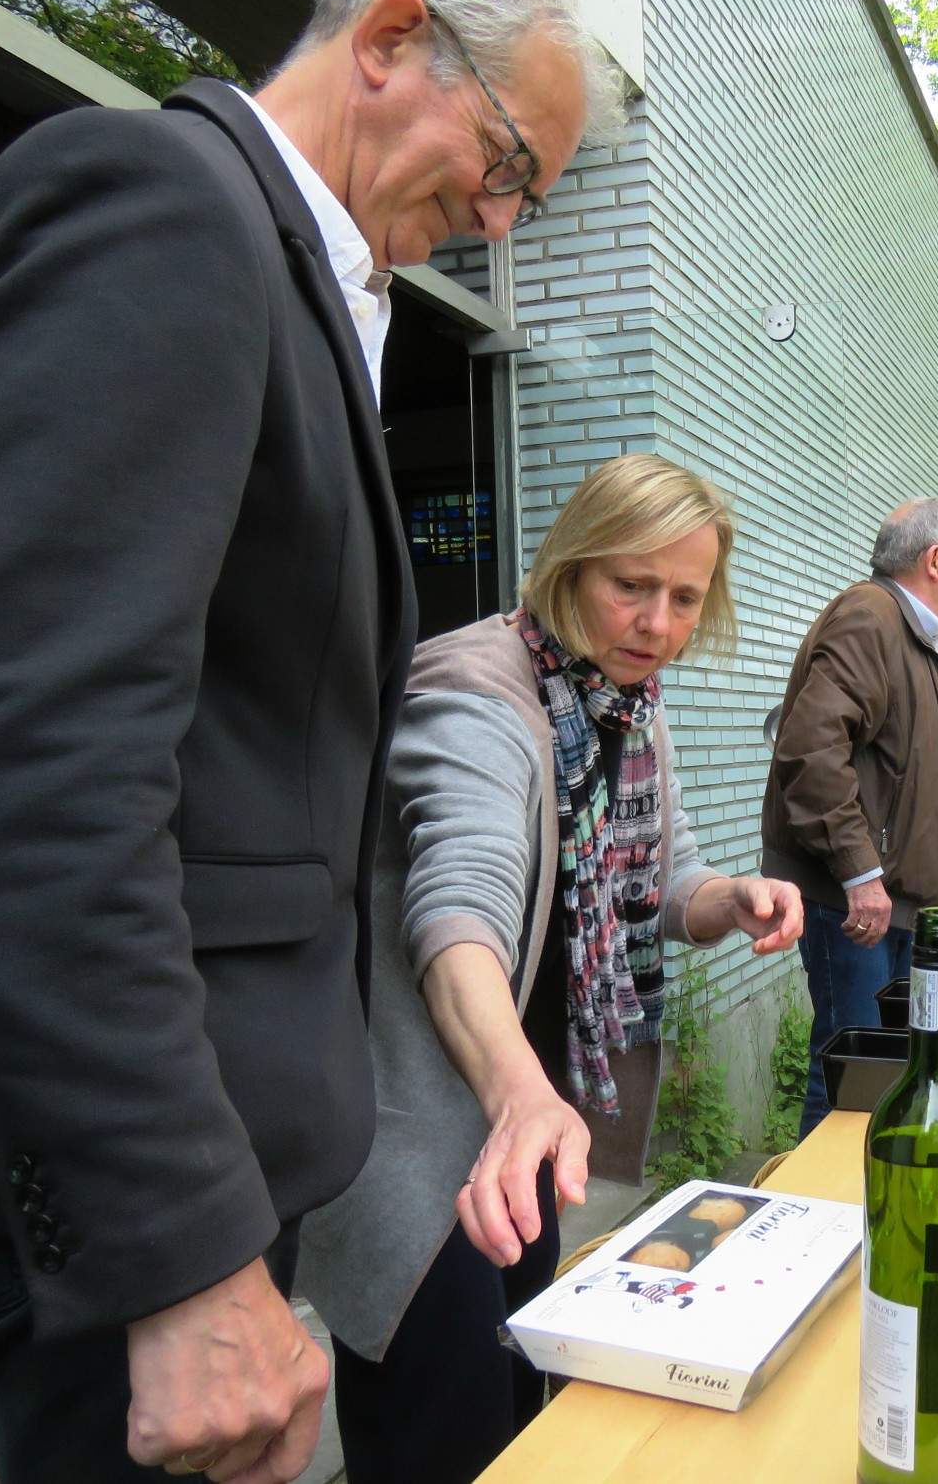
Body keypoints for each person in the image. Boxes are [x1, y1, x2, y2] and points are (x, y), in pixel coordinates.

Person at [0, 0, 596, 1481]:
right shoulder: (157, 207)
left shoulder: (295, 279)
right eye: (506, 167)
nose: (495, 225)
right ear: (393, 37)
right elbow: (41, 767)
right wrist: (180, 1250)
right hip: (144, 1209)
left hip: (232, 1167)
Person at [294, 454, 803, 1484]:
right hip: (422, 1146)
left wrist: (730, 897)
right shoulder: (476, 695)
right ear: (570, 565)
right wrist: (522, 1096)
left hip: (527, 1131)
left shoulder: (624, 706)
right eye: (631, 584)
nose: (655, 621)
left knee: (524, 1408)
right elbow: (458, 908)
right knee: (445, 1434)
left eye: (684, 598)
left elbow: (666, 878)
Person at [763, 498, 938, 1135]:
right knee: (851, 1079)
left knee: (882, 1076)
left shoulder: (914, 637)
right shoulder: (870, 618)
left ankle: (859, 1207)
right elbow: (808, 749)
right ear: (935, 560)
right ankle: (816, 1218)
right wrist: (861, 872)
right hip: (856, 905)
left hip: (894, 904)